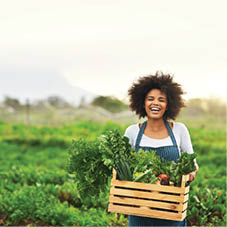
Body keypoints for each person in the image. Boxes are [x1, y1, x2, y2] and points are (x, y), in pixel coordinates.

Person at [124, 72, 199, 227]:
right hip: (139, 208)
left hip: (171, 207)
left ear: (169, 104)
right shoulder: (132, 132)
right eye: (150, 99)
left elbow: (192, 161)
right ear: (142, 103)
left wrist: (192, 170)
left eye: (161, 100)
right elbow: (124, 165)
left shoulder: (179, 130)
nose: (155, 103)